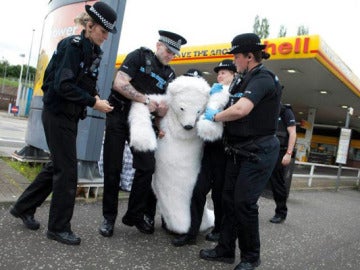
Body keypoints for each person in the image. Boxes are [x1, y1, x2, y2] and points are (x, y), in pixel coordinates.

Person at [9, 1, 117, 245]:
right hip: (57, 113)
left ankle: (23, 207)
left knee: (56, 166)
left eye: (108, 33)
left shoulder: (92, 50)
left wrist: (97, 97)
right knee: (67, 172)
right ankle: (58, 228)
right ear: (89, 26)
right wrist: (93, 102)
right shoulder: (73, 46)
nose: (106, 37)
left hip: (69, 116)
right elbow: (63, 85)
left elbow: (84, 82)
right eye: (103, 31)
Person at [199, 33, 282, 270]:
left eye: (236, 56)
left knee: (244, 203)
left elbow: (242, 109)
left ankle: (251, 257)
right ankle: (225, 250)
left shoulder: (263, 78)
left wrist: (214, 117)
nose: (234, 60)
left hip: (259, 150)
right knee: (227, 200)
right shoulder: (241, 80)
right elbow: (229, 103)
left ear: (249, 56)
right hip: (237, 149)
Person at [99, 30, 187, 237]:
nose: (170, 56)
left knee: (147, 166)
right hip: (119, 115)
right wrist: (146, 100)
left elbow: (162, 107)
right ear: (158, 45)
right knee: (113, 168)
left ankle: (134, 214)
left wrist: (161, 114)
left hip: (142, 122)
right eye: (167, 50)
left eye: (174, 53)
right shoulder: (139, 56)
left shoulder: (170, 74)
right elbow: (120, 84)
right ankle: (108, 218)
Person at [172, 59, 236, 247]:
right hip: (209, 150)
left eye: (224, 72)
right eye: (219, 72)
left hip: (226, 151)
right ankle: (191, 234)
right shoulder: (211, 93)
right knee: (198, 191)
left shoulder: (237, 94)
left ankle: (218, 230)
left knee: (220, 195)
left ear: (233, 74)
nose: (220, 75)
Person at [269, 103, 296, 223]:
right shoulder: (265, 107)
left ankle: (281, 212)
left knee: (277, 183)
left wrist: (289, 153)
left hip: (280, 152)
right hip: (264, 150)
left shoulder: (285, 111)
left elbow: (292, 133)